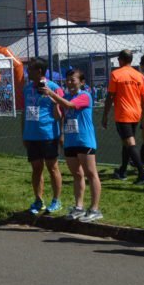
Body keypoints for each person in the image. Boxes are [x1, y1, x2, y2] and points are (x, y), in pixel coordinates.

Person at [43, 69, 102, 222]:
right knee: (77, 174)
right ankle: (79, 207)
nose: (69, 83)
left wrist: (51, 93)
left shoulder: (84, 96)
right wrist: (55, 104)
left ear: (81, 82)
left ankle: (95, 209)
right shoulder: (66, 96)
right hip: (70, 141)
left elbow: (70, 105)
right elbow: (58, 116)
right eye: (67, 80)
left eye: (73, 80)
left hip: (84, 141)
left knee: (91, 174)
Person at [102, 50, 144, 184]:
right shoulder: (139, 76)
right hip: (136, 113)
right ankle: (122, 171)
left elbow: (110, 96)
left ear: (121, 60)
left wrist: (105, 115)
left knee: (130, 143)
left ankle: (142, 173)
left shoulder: (115, 74)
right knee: (126, 143)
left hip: (123, 114)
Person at [21, 57, 63, 214]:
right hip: (31, 136)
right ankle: (38, 201)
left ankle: (56, 200)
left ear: (39, 71)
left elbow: (61, 113)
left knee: (52, 167)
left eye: (30, 69)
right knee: (36, 168)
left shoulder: (54, 87)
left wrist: (61, 134)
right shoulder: (26, 89)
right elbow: (24, 113)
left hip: (48, 134)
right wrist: (23, 134)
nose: (27, 72)